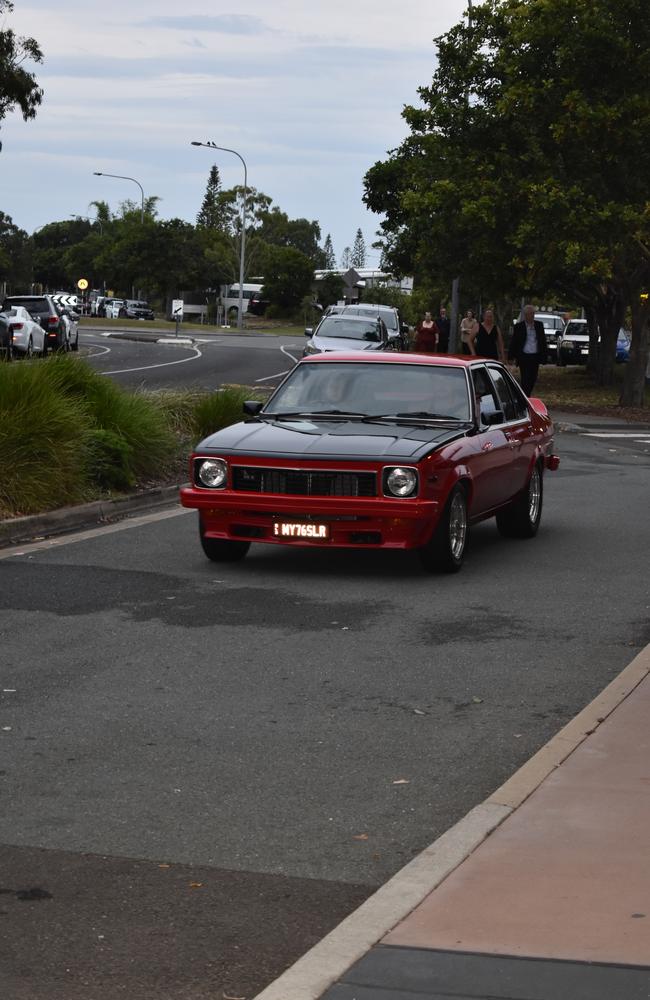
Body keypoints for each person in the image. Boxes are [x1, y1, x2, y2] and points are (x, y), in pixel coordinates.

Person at [508, 304, 548, 396]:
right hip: (524, 356)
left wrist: (544, 356)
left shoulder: (539, 325)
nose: (531, 316)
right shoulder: (519, 326)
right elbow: (514, 341)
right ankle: (525, 396)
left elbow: (542, 341)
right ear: (525, 315)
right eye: (529, 314)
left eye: (533, 314)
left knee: (533, 378)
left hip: (535, 356)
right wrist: (511, 356)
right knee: (525, 378)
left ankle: (526, 395)